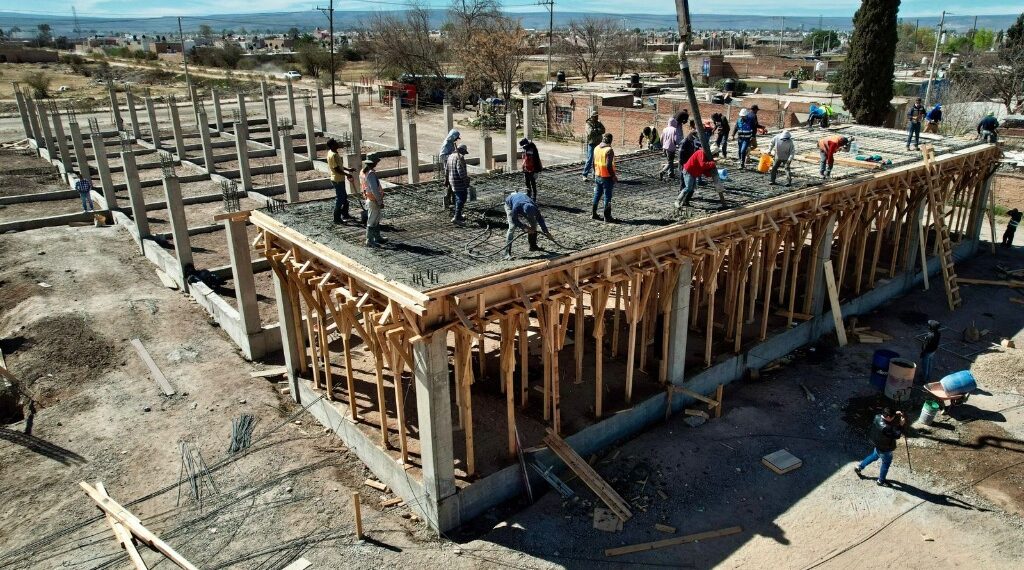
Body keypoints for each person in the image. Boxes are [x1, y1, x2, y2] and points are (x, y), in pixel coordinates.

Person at [855, 407, 906, 486]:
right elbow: (897, 435)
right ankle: (881, 481)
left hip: (877, 443)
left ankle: (859, 467)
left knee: (874, 456)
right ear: (888, 417)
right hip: (885, 448)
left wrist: (895, 413)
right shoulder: (886, 428)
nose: (894, 418)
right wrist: (901, 425)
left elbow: (887, 415)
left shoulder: (877, 416)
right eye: (893, 417)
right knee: (886, 463)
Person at [503, 191, 550, 259]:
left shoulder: (534, 206)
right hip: (509, 205)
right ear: (524, 211)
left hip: (522, 201)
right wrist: (525, 228)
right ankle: (507, 254)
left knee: (534, 223)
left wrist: (546, 232)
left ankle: (533, 246)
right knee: (512, 227)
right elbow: (514, 220)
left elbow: (540, 219)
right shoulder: (516, 206)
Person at [326, 139, 356, 224]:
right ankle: (336, 218)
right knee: (340, 198)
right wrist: (347, 174)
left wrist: (348, 169)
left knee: (344, 197)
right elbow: (337, 169)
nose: (337, 144)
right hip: (337, 179)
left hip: (339, 179)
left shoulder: (333, 153)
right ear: (332, 146)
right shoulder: (333, 155)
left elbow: (339, 166)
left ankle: (345, 214)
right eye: (335, 143)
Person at [360, 155, 386, 248]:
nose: (377, 163)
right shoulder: (370, 174)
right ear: (373, 162)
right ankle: (369, 240)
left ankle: (377, 237)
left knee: (376, 219)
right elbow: (374, 189)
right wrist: (380, 201)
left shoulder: (363, 172)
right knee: (372, 220)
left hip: (369, 198)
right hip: (373, 200)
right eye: (376, 162)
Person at [592, 133, 617, 222]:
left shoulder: (596, 148)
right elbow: (608, 165)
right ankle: (607, 217)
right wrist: (613, 176)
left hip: (598, 176)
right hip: (607, 177)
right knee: (607, 197)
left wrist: (595, 174)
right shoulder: (609, 150)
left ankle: (594, 214)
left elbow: (593, 163)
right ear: (610, 141)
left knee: (597, 195)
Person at [447, 144, 470, 224]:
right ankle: (456, 218)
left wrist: (446, 180)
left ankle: (458, 215)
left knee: (458, 197)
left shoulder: (450, 156)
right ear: (462, 151)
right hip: (459, 181)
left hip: (452, 180)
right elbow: (461, 171)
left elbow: (447, 169)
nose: (464, 154)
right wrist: (465, 180)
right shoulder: (460, 157)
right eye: (464, 153)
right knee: (462, 198)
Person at [439, 128, 461, 205]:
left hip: (452, 166)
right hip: (448, 168)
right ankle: (447, 199)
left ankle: (452, 200)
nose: (456, 140)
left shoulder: (451, 143)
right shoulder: (446, 144)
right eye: (456, 138)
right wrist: (452, 156)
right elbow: (442, 156)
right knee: (450, 184)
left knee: (452, 184)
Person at [582, 110, 605, 180]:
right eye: (595, 116)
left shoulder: (598, 123)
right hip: (591, 143)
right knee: (590, 159)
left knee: (597, 160)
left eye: (597, 116)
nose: (597, 117)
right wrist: (598, 131)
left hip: (598, 143)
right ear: (592, 117)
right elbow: (590, 132)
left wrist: (596, 130)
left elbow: (603, 130)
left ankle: (595, 174)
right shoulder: (588, 124)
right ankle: (584, 175)